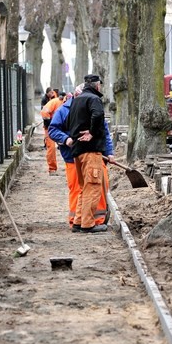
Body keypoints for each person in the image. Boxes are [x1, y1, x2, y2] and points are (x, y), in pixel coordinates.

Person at [48, 84, 113, 230]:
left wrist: (109, 153)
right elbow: (53, 130)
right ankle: (77, 220)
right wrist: (66, 139)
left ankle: (97, 219)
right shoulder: (63, 111)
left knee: (98, 186)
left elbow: (104, 131)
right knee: (80, 188)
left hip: (95, 154)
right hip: (73, 157)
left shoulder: (93, 107)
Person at [63, 74, 110, 233]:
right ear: (97, 86)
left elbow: (69, 123)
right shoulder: (94, 99)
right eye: (100, 86)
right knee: (93, 186)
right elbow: (97, 115)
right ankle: (89, 224)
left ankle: (78, 221)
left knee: (84, 188)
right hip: (91, 151)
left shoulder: (75, 101)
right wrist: (91, 132)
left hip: (77, 151)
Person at [41, 89, 65, 175]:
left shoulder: (64, 103)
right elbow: (44, 112)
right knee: (51, 147)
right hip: (50, 126)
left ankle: (70, 165)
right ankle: (52, 169)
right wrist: (49, 123)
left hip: (59, 126)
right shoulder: (56, 102)